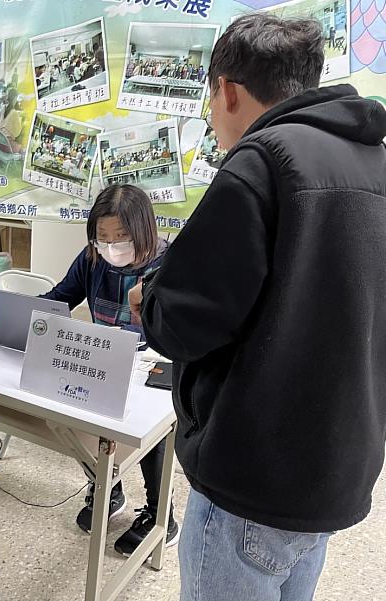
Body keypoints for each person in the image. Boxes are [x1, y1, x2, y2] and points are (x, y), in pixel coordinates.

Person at [128, 14, 386, 601]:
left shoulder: (260, 163)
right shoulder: (376, 162)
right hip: (339, 466)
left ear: (227, 89)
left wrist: (155, 300)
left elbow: (188, 322)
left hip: (255, 474)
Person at [41, 184, 178, 554]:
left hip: (156, 362)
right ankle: (107, 488)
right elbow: (59, 299)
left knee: (147, 432)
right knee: (78, 415)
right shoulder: (92, 260)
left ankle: (160, 512)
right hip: (107, 360)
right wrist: (20, 311)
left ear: (144, 231)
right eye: (103, 237)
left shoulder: (172, 263)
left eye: (121, 237)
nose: (111, 246)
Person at [0, 88, 23, 153]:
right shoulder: (14, 113)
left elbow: (0, 122)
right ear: (15, 98)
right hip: (8, 146)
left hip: (0, 142)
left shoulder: (3, 108)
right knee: (22, 145)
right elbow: (17, 133)